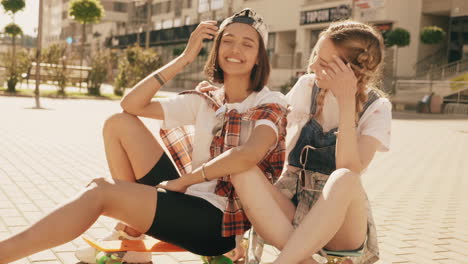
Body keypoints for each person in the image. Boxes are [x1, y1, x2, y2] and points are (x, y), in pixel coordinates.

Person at [0, 8, 288, 264]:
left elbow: (248, 154)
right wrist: (186, 57)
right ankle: (134, 232)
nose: (235, 49)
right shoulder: (207, 99)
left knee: (100, 191)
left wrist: (182, 181)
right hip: (186, 199)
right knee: (119, 123)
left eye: (247, 44)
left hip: (218, 223)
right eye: (227, 40)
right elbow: (131, 104)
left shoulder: (269, 102)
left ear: (259, 57)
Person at [200, 20, 391, 264]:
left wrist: (346, 102)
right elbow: (262, 115)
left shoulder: (377, 107)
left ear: (350, 71)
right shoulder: (307, 87)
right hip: (291, 204)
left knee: (345, 177)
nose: (311, 66)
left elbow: (350, 167)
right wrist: (220, 95)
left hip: (340, 218)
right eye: (315, 56)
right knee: (242, 169)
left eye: (322, 63)